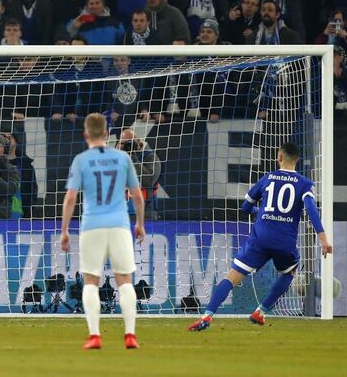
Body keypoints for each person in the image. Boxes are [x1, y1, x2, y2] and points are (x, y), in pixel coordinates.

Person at [188, 143, 332, 331]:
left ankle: (206, 316)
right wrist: (322, 239)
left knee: (230, 278)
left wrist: (260, 211)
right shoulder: (305, 183)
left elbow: (245, 207)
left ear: (279, 156)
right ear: (297, 160)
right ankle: (260, 311)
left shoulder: (267, 179)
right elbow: (312, 210)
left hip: (260, 238)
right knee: (289, 272)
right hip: (285, 241)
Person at [59, 113, 145, 350]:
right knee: (124, 280)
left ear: (86, 134)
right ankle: (130, 335)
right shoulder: (123, 158)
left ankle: (95, 335)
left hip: (92, 226)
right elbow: (137, 195)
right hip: (118, 224)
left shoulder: (81, 160)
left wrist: (64, 230)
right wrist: (140, 223)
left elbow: (70, 198)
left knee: (91, 281)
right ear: (107, 134)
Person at [117, 129, 161, 220]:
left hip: (145, 212)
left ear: (137, 141)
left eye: (128, 143)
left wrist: (133, 158)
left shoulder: (150, 156)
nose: (124, 146)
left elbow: (149, 181)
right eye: (122, 143)